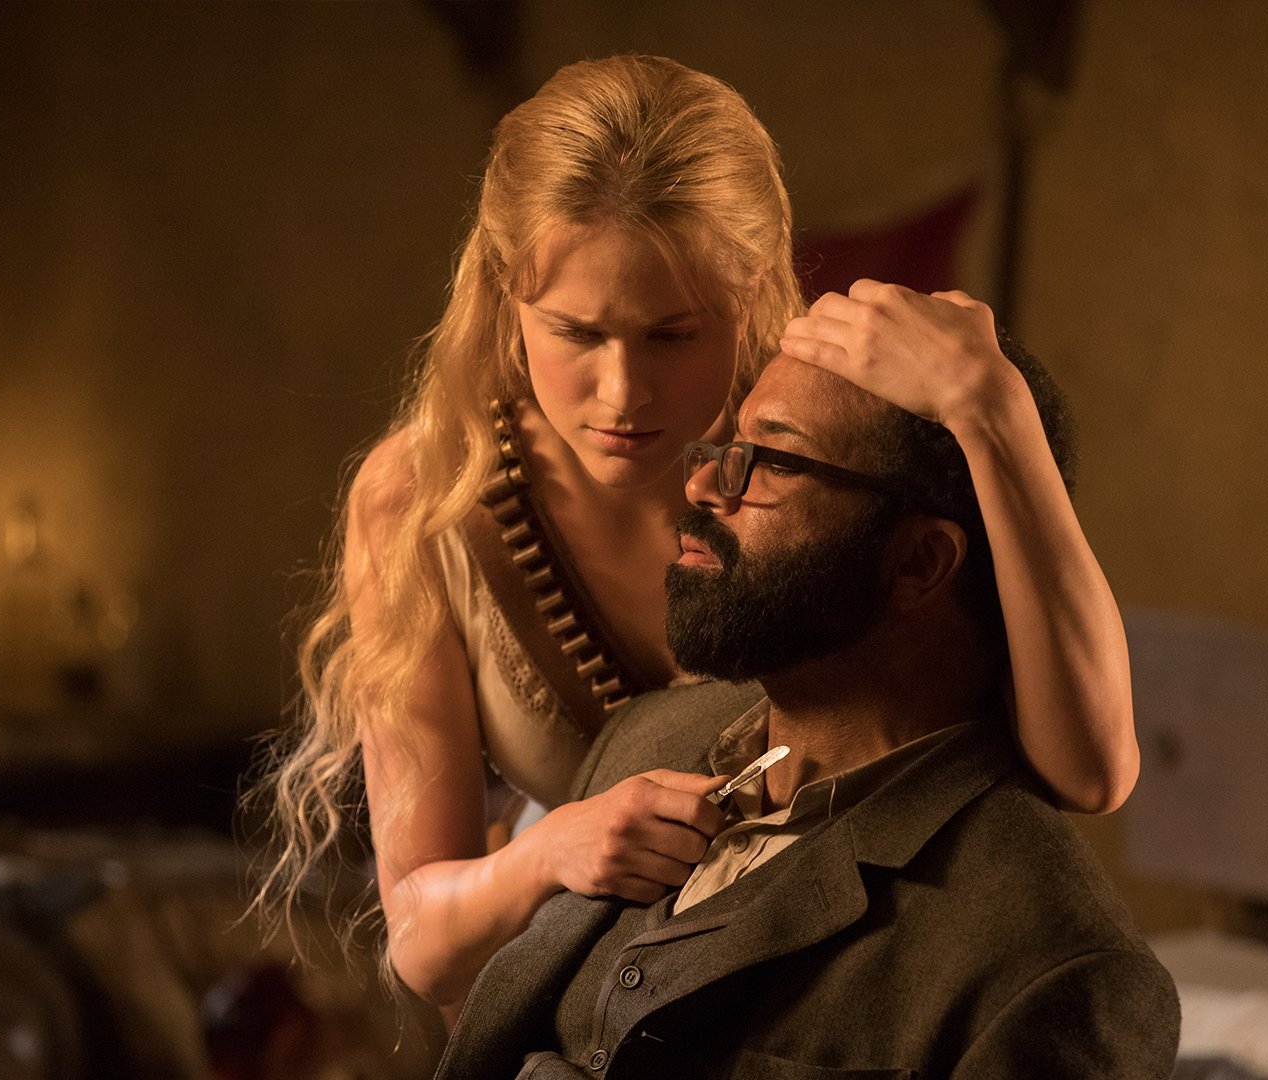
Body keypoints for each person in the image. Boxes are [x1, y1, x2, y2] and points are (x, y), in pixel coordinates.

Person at [257, 54, 1140, 1025]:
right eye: (576, 332)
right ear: (507, 291)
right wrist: (550, 852)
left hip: (847, 994)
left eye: (672, 335)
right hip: (590, 1012)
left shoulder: (833, 433)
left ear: (752, 287)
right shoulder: (427, 497)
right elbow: (424, 946)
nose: (622, 394)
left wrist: (995, 409)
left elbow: (1092, 771)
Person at [434, 345, 1178, 1078]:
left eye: (776, 461)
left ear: (919, 562)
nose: (702, 484)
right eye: (730, 445)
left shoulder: (1049, 968)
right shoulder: (647, 736)